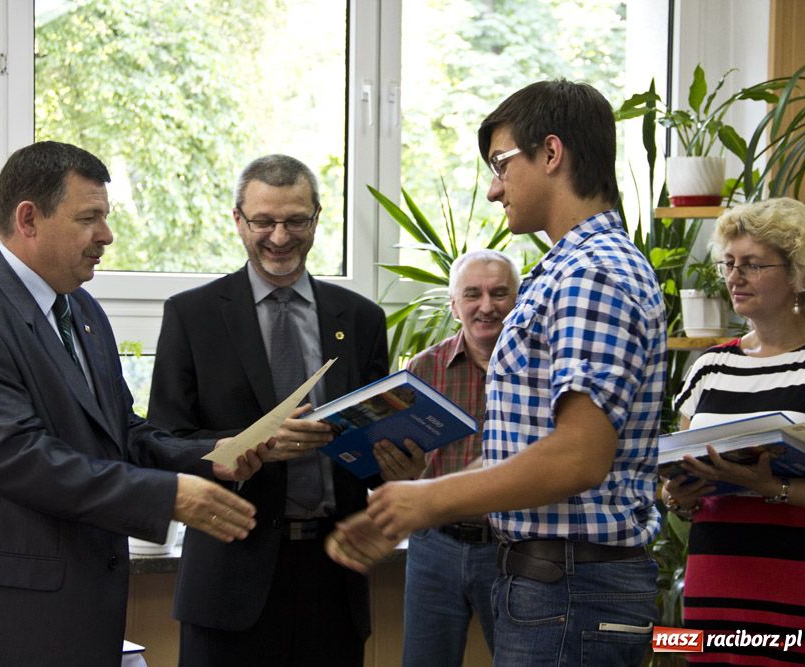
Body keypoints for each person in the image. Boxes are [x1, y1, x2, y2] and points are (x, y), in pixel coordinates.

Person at [328, 80, 666, 666]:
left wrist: (431, 501)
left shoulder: (593, 273)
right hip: (551, 585)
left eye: (502, 164)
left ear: (552, 154)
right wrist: (418, 499)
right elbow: (529, 446)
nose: (492, 189)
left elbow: (577, 457)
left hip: (571, 590)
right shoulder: (564, 271)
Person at [0, 141, 268, 667]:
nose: (107, 236)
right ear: (29, 219)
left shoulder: (84, 312)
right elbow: (17, 456)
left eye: (106, 217)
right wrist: (166, 497)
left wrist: (211, 455)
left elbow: (122, 433)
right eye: (89, 218)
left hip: (77, 616)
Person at [147, 153, 397, 666]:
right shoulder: (191, 315)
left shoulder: (363, 319)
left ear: (317, 218)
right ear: (238, 219)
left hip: (334, 575)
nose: (280, 237)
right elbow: (162, 442)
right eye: (263, 221)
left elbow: (373, 441)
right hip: (228, 575)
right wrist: (253, 443)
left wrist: (400, 464)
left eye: (295, 221)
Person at [663, 198, 805, 665]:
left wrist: (774, 487)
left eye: (752, 265)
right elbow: (673, 471)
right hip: (718, 575)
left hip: (800, 579)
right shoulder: (711, 366)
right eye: (729, 264)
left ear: (798, 274)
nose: (734, 277)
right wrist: (678, 496)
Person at [394, 249, 518, 666]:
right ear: (453, 305)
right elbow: (402, 468)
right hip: (435, 547)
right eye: (472, 294)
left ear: (518, 300)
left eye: (499, 293)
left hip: (511, 549)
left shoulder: (538, 370)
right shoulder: (423, 370)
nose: (487, 306)